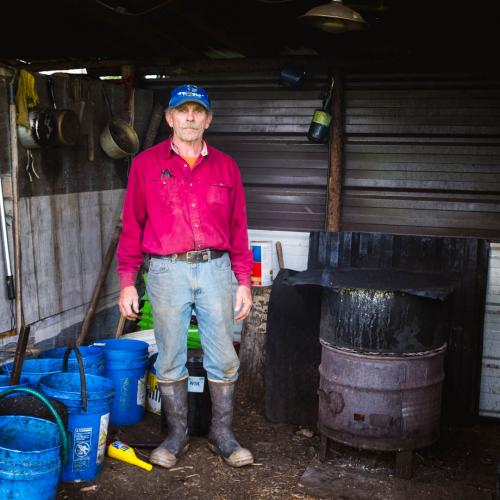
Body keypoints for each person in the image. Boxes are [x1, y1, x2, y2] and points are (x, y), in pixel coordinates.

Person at [117, 83, 254, 469]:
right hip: (165, 270)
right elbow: (132, 227)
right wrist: (128, 280)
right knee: (170, 355)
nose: (190, 117)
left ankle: (222, 434)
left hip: (215, 268)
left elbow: (239, 227)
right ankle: (175, 435)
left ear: (208, 119)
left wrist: (243, 281)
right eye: (182, 110)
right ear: (170, 118)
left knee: (224, 356)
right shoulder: (145, 164)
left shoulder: (226, 166)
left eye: (198, 111)